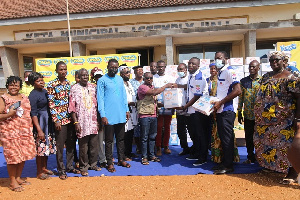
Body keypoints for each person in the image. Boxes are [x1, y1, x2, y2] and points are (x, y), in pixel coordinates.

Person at [254, 51, 300, 184]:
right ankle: (273, 168)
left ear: (284, 61)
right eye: (272, 60)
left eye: (277, 60)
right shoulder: (267, 76)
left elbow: (299, 97)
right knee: (266, 143)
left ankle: (292, 171)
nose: (274, 62)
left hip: (284, 119)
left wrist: (298, 118)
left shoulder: (291, 77)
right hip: (265, 120)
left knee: (286, 144)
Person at [0, 76, 36, 192]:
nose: (13, 87)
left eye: (16, 85)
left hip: (24, 132)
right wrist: (9, 114)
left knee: (23, 154)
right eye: (11, 85)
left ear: (20, 86)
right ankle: (12, 181)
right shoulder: (3, 98)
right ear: (7, 86)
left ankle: (18, 177)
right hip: (9, 132)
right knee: (13, 157)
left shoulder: (24, 97)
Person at [47, 61, 80, 180]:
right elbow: (51, 104)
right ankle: (61, 169)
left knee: (71, 145)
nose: (63, 71)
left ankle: (70, 166)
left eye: (65, 69)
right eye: (61, 69)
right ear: (56, 71)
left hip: (70, 120)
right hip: (60, 121)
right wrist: (56, 120)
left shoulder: (69, 84)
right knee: (60, 147)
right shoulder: (51, 85)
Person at [97, 59, 131, 172]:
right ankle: (110, 162)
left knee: (121, 139)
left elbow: (124, 96)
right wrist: (103, 115)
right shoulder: (102, 80)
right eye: (112, 67)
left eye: (116, 67)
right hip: (109, 116)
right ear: (108, 67)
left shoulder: (120, 79)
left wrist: (126, 110)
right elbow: (100, 99)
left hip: (121, 114)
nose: (114, 69)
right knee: (109, 141)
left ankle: (121, 159)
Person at [211, 51, 241, 175]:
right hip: (220, 109)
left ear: (226, 59)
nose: (217, 60)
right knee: (223, 137)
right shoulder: (221, 72)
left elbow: (237, 90)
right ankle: (225, 162)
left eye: (220, 58)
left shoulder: (230, 71)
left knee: (227, 138)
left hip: (227, 110)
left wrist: (221, 102)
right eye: (216, 58)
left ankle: (229, 165)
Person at [69, 68, 101, 176]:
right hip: (81, 121)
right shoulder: (74, 88)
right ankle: (83, 166)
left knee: (94, 144)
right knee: (83, 146)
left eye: (86, 75)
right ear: (79, 76)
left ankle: (93, 164)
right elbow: (72, 108)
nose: (85, 77)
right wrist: (76, 122)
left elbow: (97, 105)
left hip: (93, 120)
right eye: (82, 75)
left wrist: (98, 121)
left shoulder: (93, 87)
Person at [180, 57, 210, 166]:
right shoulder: (191, 76)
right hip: (192, 111)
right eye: (189, 63)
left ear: (198, 66)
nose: (190, 65)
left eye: (193, 64)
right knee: (195, 134)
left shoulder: (199, 78)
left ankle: (203, 157)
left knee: (201, 135)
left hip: (199, 111)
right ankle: (197, 153)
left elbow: (197, 96)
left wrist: (185, 106)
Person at [138, 72, 173, 164]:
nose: (149, 79)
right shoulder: (143, 87)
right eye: (147, 78)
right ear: (144, 79)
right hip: (144, 115)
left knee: (152, 137)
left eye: (151, 78)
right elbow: (154, 93)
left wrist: (170, 104)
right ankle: (144, 157)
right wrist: (166, 86)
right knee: (145, 137)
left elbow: (156, 101)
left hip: (153, 115)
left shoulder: (152, 87)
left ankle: (152, 155)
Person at [28, 72, 56, 180]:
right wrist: (39, 129)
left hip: (47, 122)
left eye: (42, 80)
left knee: (46, 147)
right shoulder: (33, 95)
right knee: (40, 148)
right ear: (33, 83)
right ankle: (39, 171)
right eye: (38, 81)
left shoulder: (45, 92)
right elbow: (33, 114)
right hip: (40, 122)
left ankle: (44, 168)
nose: (41, 83)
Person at [237, 60, 261, 164]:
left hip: (260, 115)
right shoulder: (243, 81)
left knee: (260, 137)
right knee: (249, 136)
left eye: (254, 67)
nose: (251, 69)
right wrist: (239, 112)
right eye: (250, 67)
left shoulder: (263, 81)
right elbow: (240, 98)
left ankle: (260, 158)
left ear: (258, 68)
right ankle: (250, 157)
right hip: (247, 114)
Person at [153, 60, 175, 155]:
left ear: (165, 67)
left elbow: (174, 91)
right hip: (157, 107)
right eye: (159, 67)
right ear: (156, 67)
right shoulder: (153, 78)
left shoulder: (170, 78)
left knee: (167, 127)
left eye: (162, 66)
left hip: (168, 106)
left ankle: (166, 146)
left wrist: (172, 104)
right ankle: (158, 147)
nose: (161, 68)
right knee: (158, 127)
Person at [119, 65, 138, 161]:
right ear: (121, 74)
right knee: (124, 134)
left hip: (133, 110)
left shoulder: (129, 83)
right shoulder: (119, 84)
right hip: (124, 111)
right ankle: (124, 154)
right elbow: (120, 99)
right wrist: (129, 103)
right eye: (126, 72)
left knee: (130, 133)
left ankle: (129, 152)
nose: (128, 74)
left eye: (129, 72)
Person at [175, 63, 193, 155]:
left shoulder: (190, 77)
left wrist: (178, 86)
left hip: (189, 109)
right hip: (179, 109)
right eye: (178, 70)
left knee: (191, 129)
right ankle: (185, 148)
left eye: (181, 69)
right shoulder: (177, 79)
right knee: (180, 131)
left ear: (185, 69)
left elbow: (189, 87)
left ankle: (195, 148)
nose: (180, 71)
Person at [129, 65, 144, 154]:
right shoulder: (130, 82)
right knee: (136, 129)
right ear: (134, 72)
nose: (140, 71)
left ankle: (145, 147)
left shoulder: (146, 81)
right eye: (138, 70)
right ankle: (138, 147)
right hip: (134, 109)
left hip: (145, 109)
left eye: (141, 70)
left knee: (145, 128)